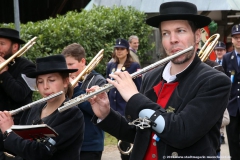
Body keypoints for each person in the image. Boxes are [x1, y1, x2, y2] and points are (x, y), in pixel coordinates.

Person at [87, 1, 231, 159]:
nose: (173, 39)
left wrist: (135, 98)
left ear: (197, 36)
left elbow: (182, 133)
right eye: (166, 33)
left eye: (180, 31)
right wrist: (106, 114)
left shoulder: (215, 81)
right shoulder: (151, 77)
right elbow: (139, 132)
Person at [0, 54, 84, 160]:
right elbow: (19, 147)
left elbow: (40, 152)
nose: (45, 87)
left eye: (51, 80)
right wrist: (5, 129)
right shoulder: (33, 110)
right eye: (40, 82)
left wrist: (8, 132)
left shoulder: (72, 114)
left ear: (65, 81)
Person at [62, 43, 105, 160]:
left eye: (70, 64)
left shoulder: (97, 80)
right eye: (65, 65)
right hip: (70, 141)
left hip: (90, 144)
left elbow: (97, 111)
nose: (67, 69)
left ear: (82, 61)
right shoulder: (65, 82)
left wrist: (75, 89)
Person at [106, 38, 142, 160]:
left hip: (127, 109)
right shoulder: (111, 65)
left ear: (127, 51)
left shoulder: (134, 66)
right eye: (117, 49)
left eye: (122, 49)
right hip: (114, 108)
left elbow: (139, 87)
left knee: (128, 144)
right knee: (120, 142)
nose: (119, 51)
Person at [0, 28, 36, 124]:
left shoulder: (29, 67)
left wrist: (4, 73)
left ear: (15, 46)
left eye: (2, 44)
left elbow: (19, 95)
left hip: (18, 125)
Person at [222, 24, 240, 160]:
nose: (238, 40)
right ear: (232, 40)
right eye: (235, 37)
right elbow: (223, 81)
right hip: (233, 106)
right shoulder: (227, 58)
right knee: (233, 142)